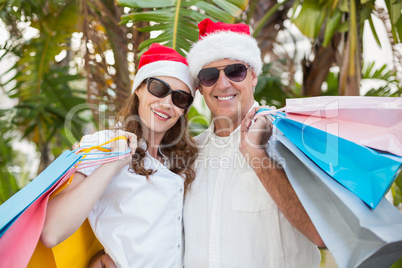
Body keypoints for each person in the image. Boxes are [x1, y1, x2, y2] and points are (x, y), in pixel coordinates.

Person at [90, 19, 325, 268]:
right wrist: (108, 257)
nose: (223, 84)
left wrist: (256, 155)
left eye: (235, 71)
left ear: (253, 75)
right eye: (209, 75)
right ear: (200, 88)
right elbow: (149, 224)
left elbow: (319, 233)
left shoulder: (291, 138)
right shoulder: (187, 156)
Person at [40, 43, 198, 268]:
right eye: (158, 88)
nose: (166, 103)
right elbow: (51, 231)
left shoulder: (184, 161)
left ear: (184, 109)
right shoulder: (105, 144)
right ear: (139, 89)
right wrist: (115, 162)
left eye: (180, 98)